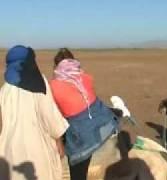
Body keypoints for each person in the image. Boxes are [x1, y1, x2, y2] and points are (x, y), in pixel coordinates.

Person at [0, 45, 69, 180]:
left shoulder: (4, 90)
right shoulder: (39, 83)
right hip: (37, 152)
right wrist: (59, 142)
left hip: (9, 153)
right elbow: (50, 116)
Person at [50, 48, 120, 180]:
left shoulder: (52, 86)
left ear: (56, 66)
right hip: (104, 119)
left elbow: (55, 115)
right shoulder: (86, 77)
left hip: (83, 132)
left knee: (77, 172)